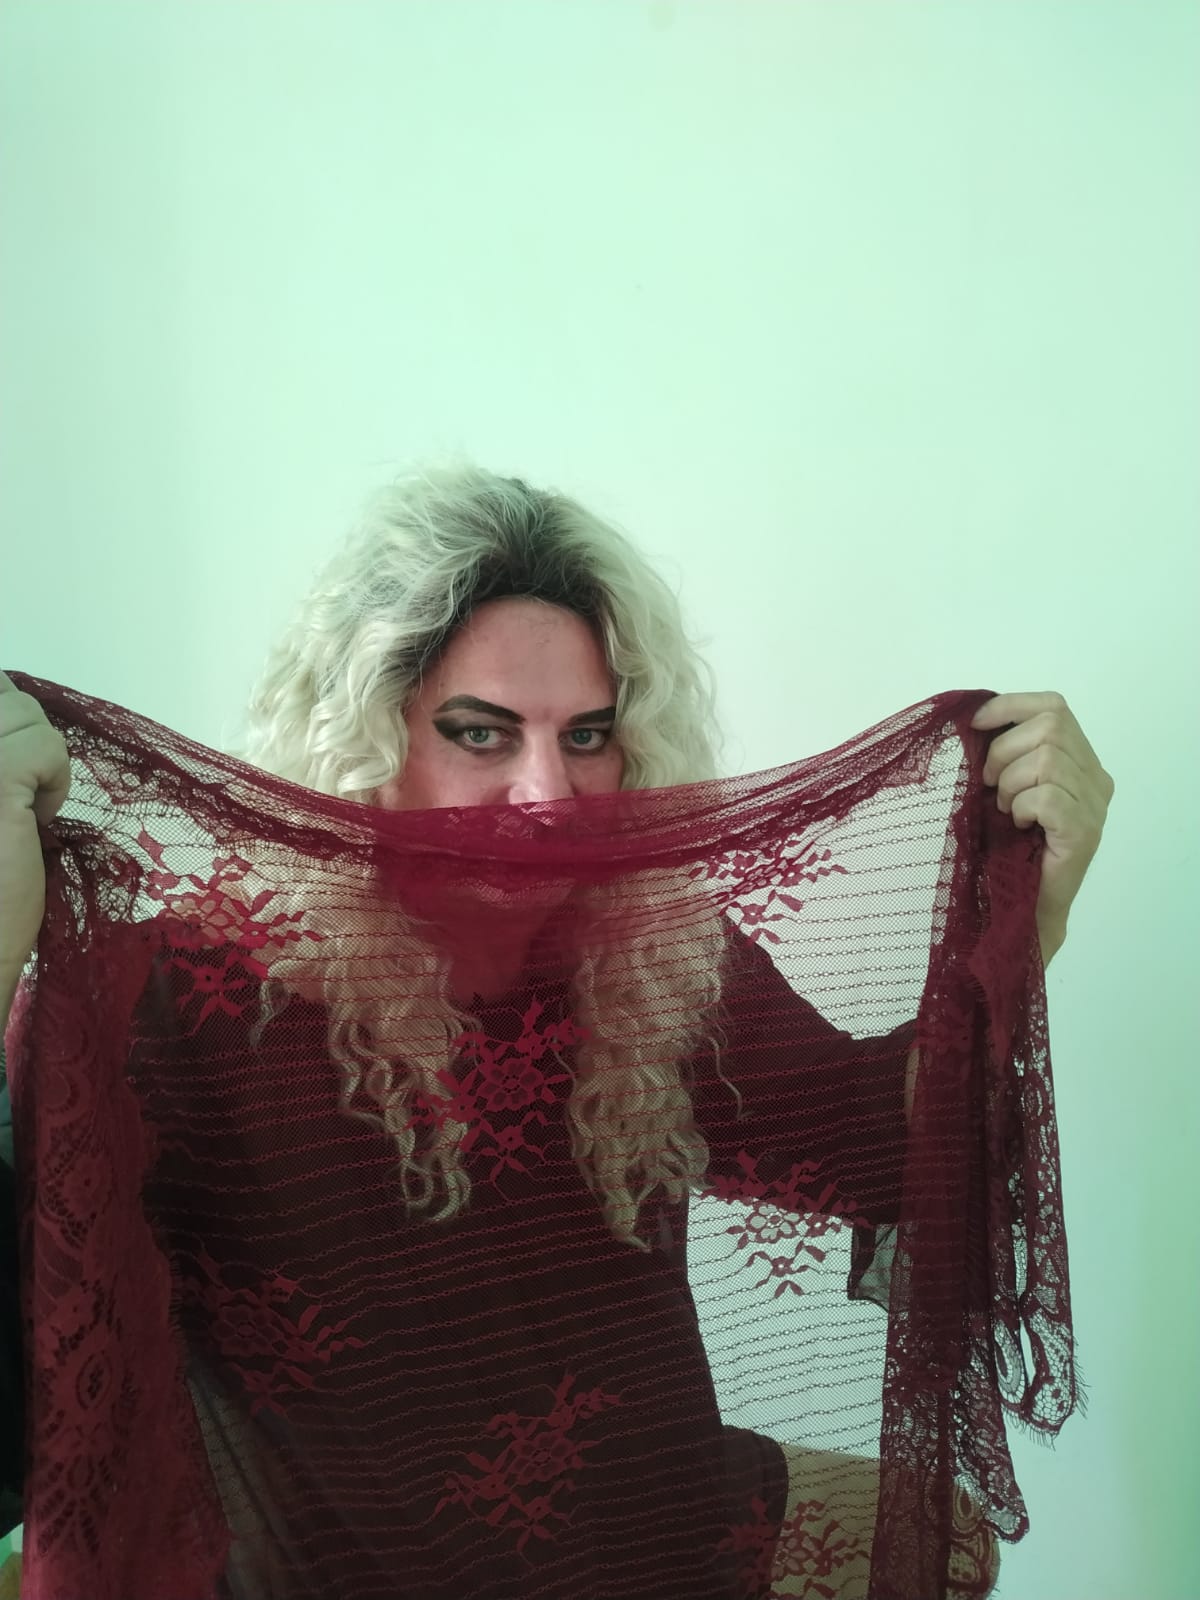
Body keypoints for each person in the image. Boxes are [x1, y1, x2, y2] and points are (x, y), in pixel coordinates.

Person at [0, 463, 1113, 1597]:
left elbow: (880, 1142)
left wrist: (1030, 910)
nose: (548, 794)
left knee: (946, 1541)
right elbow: (33, 1369)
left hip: (656, 1538)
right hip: (347, 1575)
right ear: (369, 736)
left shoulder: (651, 960)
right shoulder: (171, 1000)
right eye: (480, 733)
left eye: (588, 735)